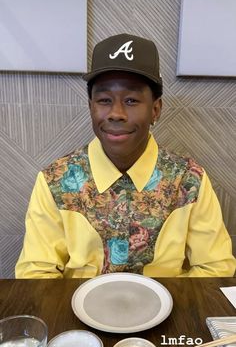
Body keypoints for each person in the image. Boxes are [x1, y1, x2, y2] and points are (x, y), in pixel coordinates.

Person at [15, 33, 235, 278]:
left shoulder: (189, 180)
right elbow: (35, 274)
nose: (116, 113)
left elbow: (216, 269)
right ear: (90, 107)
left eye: (131, 100)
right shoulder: (55, 181)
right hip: (77, 310)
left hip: (166, 310)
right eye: (104, 100)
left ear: (155, 109)